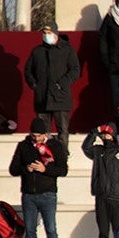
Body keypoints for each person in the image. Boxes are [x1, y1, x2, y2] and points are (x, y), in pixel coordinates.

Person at [8, 117, 68, 238]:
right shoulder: (23, 146)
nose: (36, 139)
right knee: (30, 230)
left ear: (45, 134)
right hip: (29, 195)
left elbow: (63, 170)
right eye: (34, 135)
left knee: (51, 229)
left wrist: (45, 169)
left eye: (39, 136)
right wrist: (26, 169)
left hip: (48, 194)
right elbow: (13, 169)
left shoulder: (55, 146)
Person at [24, 20, 80, 148]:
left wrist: (62, 84)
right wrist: (34, 85)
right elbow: (28, 70)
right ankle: (44, 156)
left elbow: (75, 70)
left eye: (49, 32)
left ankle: (63, 157)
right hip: (42, 97)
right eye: (44, 33)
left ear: (55, 33)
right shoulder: (37, 51)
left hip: (61, 97)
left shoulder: (67, 50)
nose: (46, 35)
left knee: (63, 131)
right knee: (43, 132)